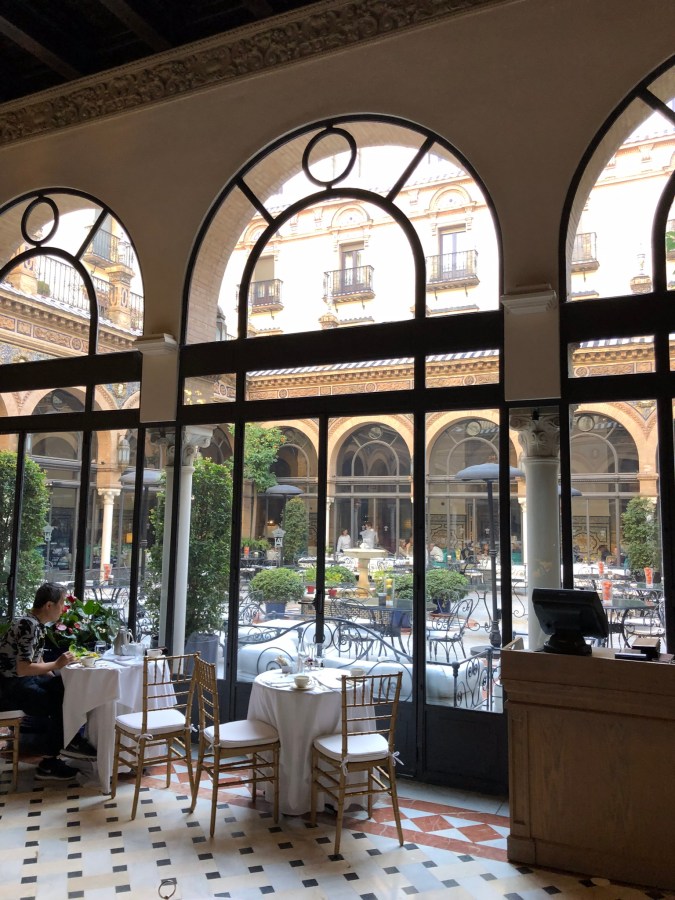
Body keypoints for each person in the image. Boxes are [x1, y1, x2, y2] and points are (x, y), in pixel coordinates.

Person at [0, 582, 96, 781]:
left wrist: (57, 680)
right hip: (10, 688)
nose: (64, 608)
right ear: (49, 605)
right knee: (59, 702)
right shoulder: (28, 625)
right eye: (62, 603)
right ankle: (52, 760)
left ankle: (70, 741)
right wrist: (58, 664)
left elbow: (38, 661)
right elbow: (23, 668)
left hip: (24, 681)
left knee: (64, 689)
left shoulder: (35, 624)